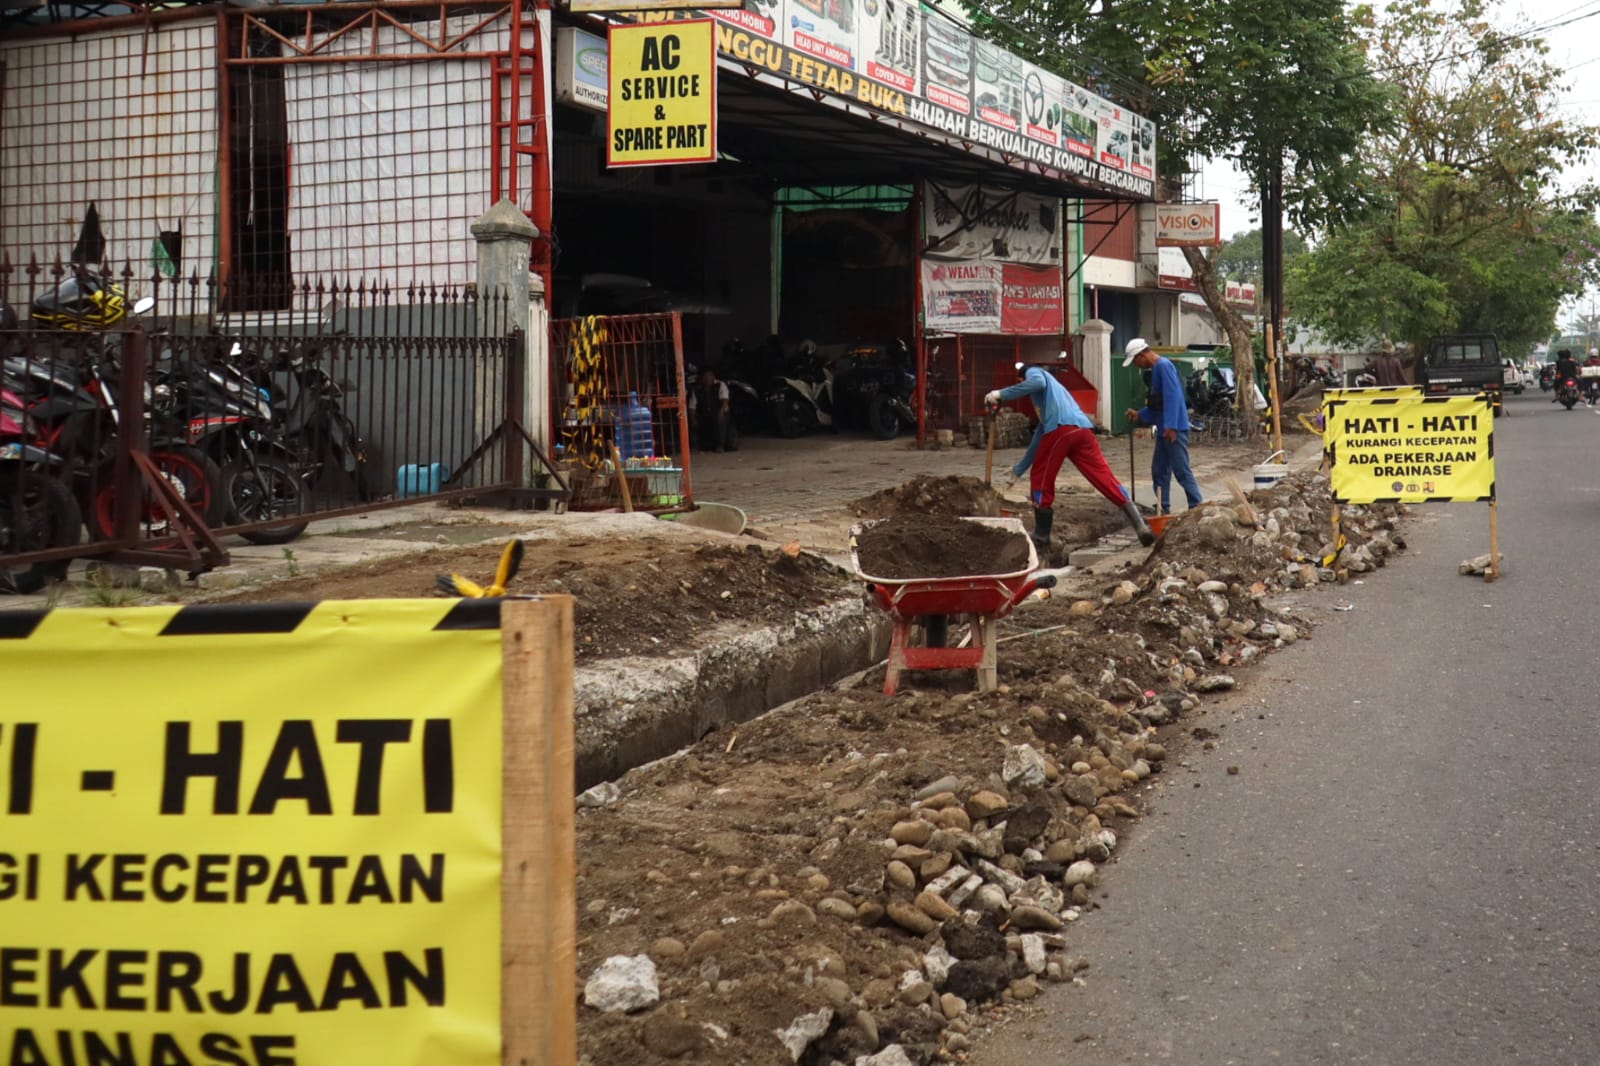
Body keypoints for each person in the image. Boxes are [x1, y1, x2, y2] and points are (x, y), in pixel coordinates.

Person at [984, 358, 1153, 550]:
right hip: (1083, 431)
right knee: (1104, 478)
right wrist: (1018, 470)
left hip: (1061, 430)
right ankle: (1140, 526)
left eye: (1022, 382)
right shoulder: (1054, 397)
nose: (1023, 386)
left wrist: (1001, 394)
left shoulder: (1035, 374)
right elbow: (1040, 436)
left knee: (1041, 478)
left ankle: (1041, 535)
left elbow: (1036, 383)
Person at [1123, 338, 1204, 515]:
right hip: (1164, 428)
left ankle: (1197, 505)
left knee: (1181, 469)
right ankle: (1162, 506)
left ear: (1142, 355)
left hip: (1172, 429)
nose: (1137, 365)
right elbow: (1158, 404)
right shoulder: (1157, 369)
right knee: (1159, 470)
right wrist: (1140, 414)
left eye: (1136, 361)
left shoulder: (1163, 366)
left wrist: (1171, 426)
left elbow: (1172, 397)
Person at [688, 367, 735, 452]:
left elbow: (725, 400)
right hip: (704, 413)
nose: (707, 379)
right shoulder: (697, 389)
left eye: (709, 376)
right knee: (691, 422)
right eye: (705, 376)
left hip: (718, 411)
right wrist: (693, 419)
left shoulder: (720, 385)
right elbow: (692, 407)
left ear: (713, 377)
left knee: (721, 419)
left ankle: (720, 446)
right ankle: (695, 447)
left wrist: (721, 411)